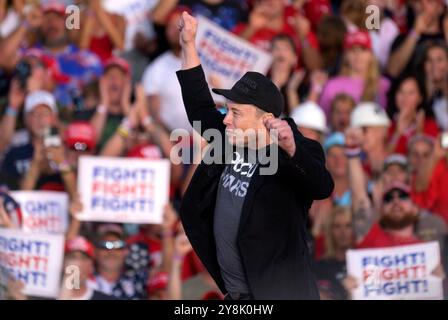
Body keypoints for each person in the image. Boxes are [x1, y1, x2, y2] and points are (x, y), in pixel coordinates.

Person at [176, 11, 334, 300]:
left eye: (235, 112)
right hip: (236, 296)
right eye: (227, 110)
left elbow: (322, 186)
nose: (226, 119)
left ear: (265, 119)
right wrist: (188, 45)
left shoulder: (294, 150)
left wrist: (290, 149)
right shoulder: (230, 138)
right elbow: (199, 106)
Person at [142, 7, 191, 133]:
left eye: (180, 26)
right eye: (171, 27)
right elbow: (154, 113)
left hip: (208, 140)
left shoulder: (209, 64)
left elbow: (221, 105)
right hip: (170, 141)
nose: (175, 31)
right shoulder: (156, 68)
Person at [318, 30, 390, 117]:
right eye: (353, 50)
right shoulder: (332, 85)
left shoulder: (384, 85)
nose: (358, 54)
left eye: (363, 49)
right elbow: (323, 119)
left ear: (371, 54)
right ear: (346, 56)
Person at [386, 73, 439, 155]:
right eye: (401, 91)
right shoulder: (385, 126)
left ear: (420, 98)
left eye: (411, 93)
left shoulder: (430, 126)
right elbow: (384, 162)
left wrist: (419, 132)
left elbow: (427, 161)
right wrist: (396, 134)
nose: (405, 97)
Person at [314, 206, 354, 300]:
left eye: (348, 226)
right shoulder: (320, 266)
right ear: (330, 231)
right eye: (337, 226)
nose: (343, 232)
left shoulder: (363, 263)